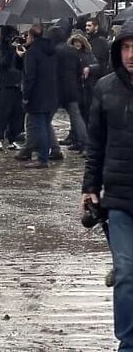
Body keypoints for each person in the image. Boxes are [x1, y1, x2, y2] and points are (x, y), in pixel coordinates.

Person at [82, 19, 133, 351]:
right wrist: (89, 187)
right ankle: (127, 345)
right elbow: (95, 144)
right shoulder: (105, 88)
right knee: (127, 273)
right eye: (126, 47)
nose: (132, 54)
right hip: (119, 200)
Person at [22, 24, 59, 169]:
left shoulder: (32, 52)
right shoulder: (52, 50)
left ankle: (43, 159)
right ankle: (48, 153)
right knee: (45, 124)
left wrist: (26, 95)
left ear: (31, 36)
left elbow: (30, 77)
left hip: (37, 95)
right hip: (51, 93)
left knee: (40, 127)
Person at [49, 26, 90, 154]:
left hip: (56, 89)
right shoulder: (73, 51)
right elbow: (79, 70)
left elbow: (53, 71)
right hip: (72, 89)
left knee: (46, 119)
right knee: (77, 118)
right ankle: (87, 145)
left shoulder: (53, 51)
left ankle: (53, 147)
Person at [0, 25, 24, 150]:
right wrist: (12, 51)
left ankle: (12, 138)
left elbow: (20, 65)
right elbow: (2, 62)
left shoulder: (15, 47)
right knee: (3, 112)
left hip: (17, 83)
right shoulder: (0, 47)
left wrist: (20, 54)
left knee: (16, 113)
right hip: (5, 84)